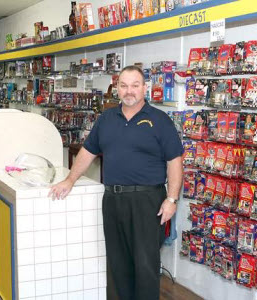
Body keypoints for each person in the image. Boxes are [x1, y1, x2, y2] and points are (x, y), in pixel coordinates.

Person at [49, 65, 184, 300]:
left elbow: (175, 162)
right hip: (112, 199)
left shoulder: (160, 120)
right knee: (117, 263)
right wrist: (70, 180)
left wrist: (171, 199)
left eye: (134, 85)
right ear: (117, 88)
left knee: (145, 265)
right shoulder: (107, 119)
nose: (129, 91)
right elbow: (87, 152)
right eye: (123, 85)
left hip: (147, 201)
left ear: (144, 88)